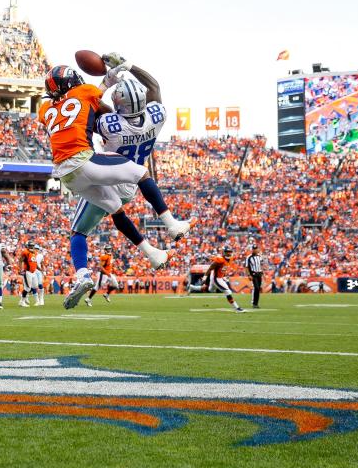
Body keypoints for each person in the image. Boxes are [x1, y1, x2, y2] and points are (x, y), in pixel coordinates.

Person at [39, 61, 190, 309]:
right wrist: (113, 73)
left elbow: (95, 110)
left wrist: (106, 83)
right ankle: (171, 225)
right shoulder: (155, 115)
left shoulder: (45, 109)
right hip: (101, 169)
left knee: (87, 226)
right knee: (142, 173)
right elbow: (150, 89)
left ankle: (84, 275)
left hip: (67, 174)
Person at [187, 246, 245, 313]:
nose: (229, 253)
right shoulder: (219, 260)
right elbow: (210, 268)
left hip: (218, 276)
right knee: (228, 292)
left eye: (230, 252)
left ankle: (192, 287)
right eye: (227, 252)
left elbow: (225, 266)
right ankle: (237, 308)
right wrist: (205, 277)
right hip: (216, 278)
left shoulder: (231, 258)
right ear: (223, 252)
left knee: (210, 290)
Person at [18, 241, 40, 307]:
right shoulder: (25, 252)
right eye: (30, 246)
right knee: (27, 288)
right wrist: (20, 269)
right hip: (27, 272)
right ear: (28, 246)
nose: (31, 247)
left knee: (35, 286)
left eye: (33, 246)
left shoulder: (34, 253)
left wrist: (39, 269)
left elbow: (34, 263)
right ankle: (22, 301)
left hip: (33, 272)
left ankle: (25, 298)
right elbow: (20, 260)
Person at [245, 244, 266, 309]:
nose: (255, 250)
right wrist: (249, 275)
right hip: (253, 274)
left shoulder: (260, 256)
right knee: (256, 287)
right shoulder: (249, 257)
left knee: (258, 288)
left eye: (256, 248)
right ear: (252, 250)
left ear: (258, 249)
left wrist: (263, 272)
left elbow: (261, 265)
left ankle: (256, 303)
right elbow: (246, 267)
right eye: (254, 249)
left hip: (259, 273)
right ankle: (254, 302)